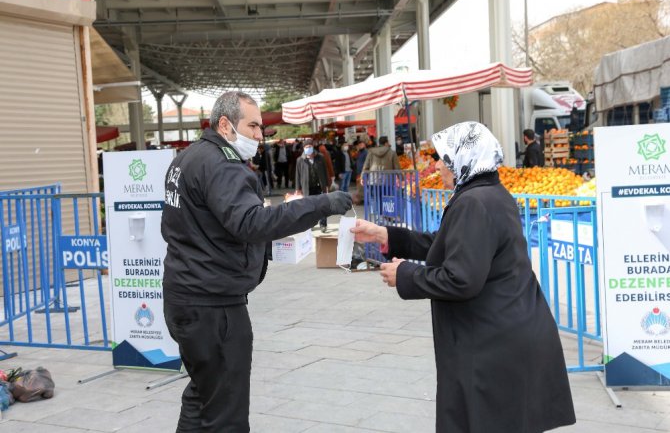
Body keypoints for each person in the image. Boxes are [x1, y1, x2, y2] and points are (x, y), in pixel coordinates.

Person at [351, 121, 576, 433]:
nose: (437, 165)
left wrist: (406, 274)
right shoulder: (486, 194)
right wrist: (385, 234)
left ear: (464, 158)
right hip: (503, 335)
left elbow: (461, 279)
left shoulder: (474, 202)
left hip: (493, 346)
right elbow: (444, 243)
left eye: (443, 157)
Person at [161, 91, 353, 432]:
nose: (259, 135)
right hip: (213, 304)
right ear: (225, 124)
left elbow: (210, 223)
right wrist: (319, 204)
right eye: (252, 126)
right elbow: (250, 223)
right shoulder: (222, 165)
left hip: (186, 295)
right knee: (226, 409)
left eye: (261, 127)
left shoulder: (187, 158)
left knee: (204, 395)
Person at [295, 138, 331, 232]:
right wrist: (298, 188)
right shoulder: (300, 160)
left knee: (322, 206)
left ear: (313, 146)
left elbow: (325, 171)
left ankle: (323, 224)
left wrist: (327, 184)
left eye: (310, 146)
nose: (308, 148)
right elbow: (297, 175)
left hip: (319, 186)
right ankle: (310, 225)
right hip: (307, 187)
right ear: (303, 148)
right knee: (309, 207)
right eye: (306, 147)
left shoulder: (320, 157)